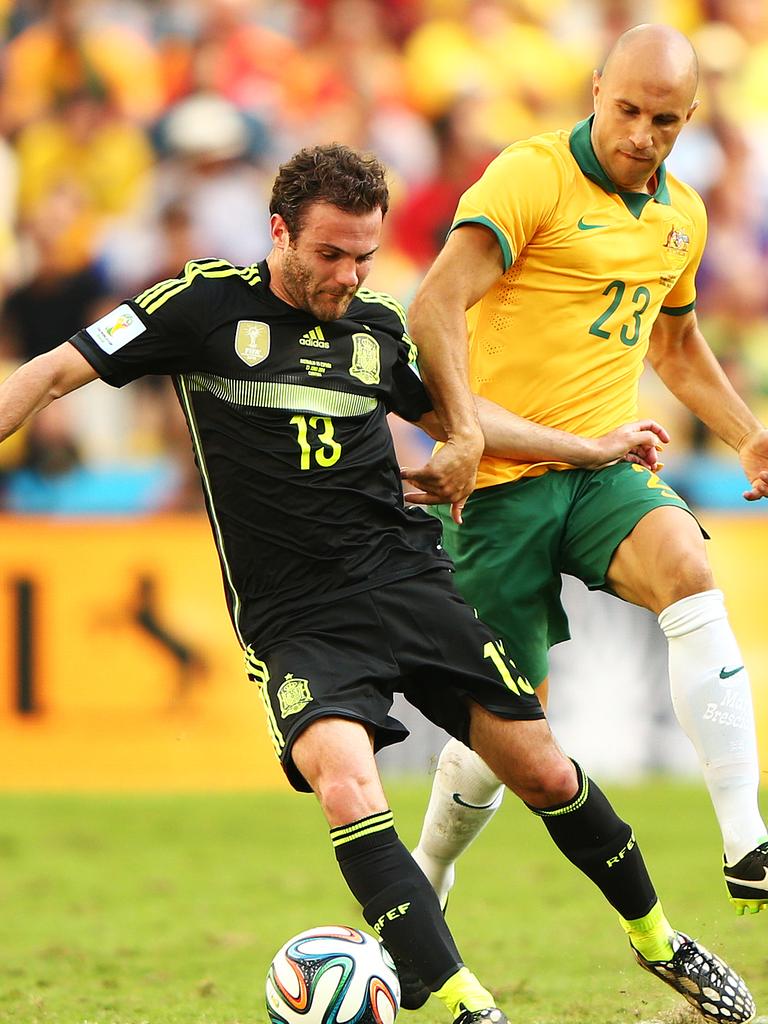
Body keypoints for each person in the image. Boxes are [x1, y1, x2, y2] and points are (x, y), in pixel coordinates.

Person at [0, 144, 754, 1024]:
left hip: (405, 578)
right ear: (278, 232)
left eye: (364, 256)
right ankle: (472, 1007)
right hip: (296, 617)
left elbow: (464, 422)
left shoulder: (377, 328)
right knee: (350, 787)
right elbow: (51, 373)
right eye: (330, 255)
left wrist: (594, 445)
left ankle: (661, 939)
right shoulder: (198, 305)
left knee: (545, 772)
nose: (349, 276)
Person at [402, 21, 768, 973]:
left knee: (690, 570)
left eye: (665, 122)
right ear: (596, 88)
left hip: (606, 468)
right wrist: (465, 428)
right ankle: (429, 871)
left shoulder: (680, 216)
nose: (642, 135)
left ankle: (747, 837)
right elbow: (434, 303)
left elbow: (675, 346)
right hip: (503, 485)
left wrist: (748, 434)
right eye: (628, 110)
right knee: (507, 728)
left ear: (688, 122)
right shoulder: (528, 178)